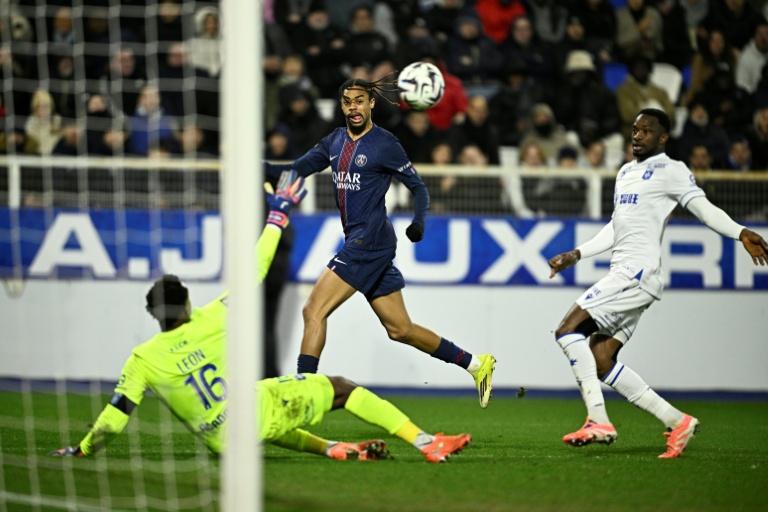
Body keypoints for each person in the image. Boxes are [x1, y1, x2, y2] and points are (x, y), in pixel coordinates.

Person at [49, 172, 472, 463]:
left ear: (153, 315)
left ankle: (333, 449)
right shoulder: (213, 317)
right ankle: (426, 442)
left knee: (261, 400)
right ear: (187, 305)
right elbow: (256, 268)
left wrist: (82, 449)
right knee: (342, 389)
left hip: (221, 441)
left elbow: (115, 417)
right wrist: (277, 215)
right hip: (250, 415)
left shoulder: (142, 359)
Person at [547, 108, 768, 458]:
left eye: (646, 131)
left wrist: (740, 232)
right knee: (601, 359)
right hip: (630, 276)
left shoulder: (671, 170)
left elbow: (704, 209)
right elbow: (617, 226)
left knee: (566, 330)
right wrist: (577, 253)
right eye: (635, 129)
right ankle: (677, 421)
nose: (637, 135)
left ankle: (598, 420)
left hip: (635, 274)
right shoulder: (625, 172)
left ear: (663, 138)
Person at [264, 78, 497, 408]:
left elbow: (418, 187)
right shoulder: (334, 141)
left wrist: (418, 222)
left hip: (368, 243)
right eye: (348, 102)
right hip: (369, 243)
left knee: (313, 310)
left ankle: (303, 395)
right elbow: (295, 170)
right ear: (342, 106)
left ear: (371, 103)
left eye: (360, 101)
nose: (354, 107)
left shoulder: (385, 144)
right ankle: (476, 364)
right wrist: (258, 169)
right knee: (400, 329)